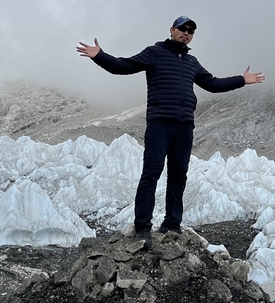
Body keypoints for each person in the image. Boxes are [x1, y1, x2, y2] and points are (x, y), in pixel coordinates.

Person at [76, 15, 264, 248]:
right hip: (160, 123)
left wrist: (242, 79)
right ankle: (142, 227)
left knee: (179, 174)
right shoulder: (155, 52)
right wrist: (100, 56)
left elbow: (213, 84)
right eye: (182, 29)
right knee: (151, 173)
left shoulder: (192, 62)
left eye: (191, 31)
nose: (186, 33)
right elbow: (123, 66)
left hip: (185, 125)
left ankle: (172, 224)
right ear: (172, 29)